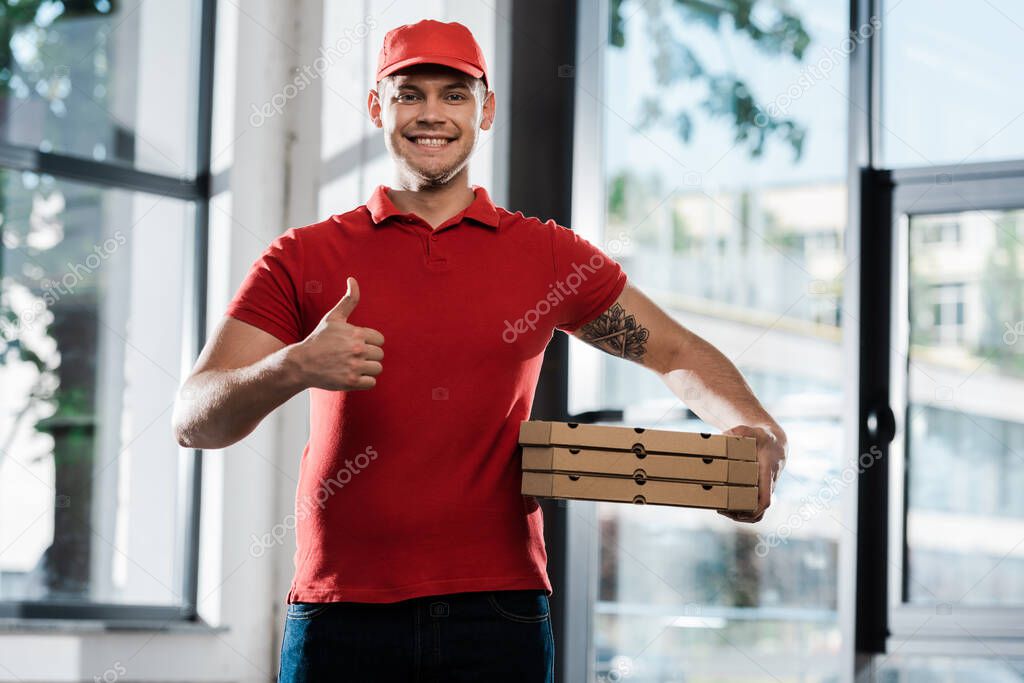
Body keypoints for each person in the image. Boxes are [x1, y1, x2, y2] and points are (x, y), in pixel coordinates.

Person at [172, 18, 787, 683]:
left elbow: (670, 349)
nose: (431, 113)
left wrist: (751, 424)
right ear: (377, 106)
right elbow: (194, 418)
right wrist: (293, 365)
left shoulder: (547, 254)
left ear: (485, 109)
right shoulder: (303, 255)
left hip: (498, 614)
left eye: (454, 93)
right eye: (410, 93)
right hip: (342, 611)